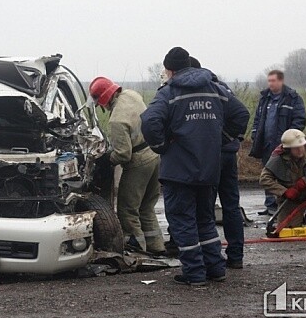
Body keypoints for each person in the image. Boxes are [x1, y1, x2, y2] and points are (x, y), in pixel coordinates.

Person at [141, 47, 247, 286]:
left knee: (182, 220)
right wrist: (220, 140)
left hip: (179, 170)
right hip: (210, 168)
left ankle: (194, 273)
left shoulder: (168, 93)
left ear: (170, 70)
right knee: (205, 220)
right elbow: (241, 114)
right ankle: (216, 268)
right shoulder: (216, 89)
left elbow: (149, 121)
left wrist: (161, 145)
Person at [88, 76, 167, 256]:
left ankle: (137, 248)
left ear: (103, 100)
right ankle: (156, 246)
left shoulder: (116, 120)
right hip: (155, 156)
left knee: (127, 210)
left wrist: (105, 160)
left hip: (139, 163)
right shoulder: (132, 95)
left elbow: (124, 154)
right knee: (146, 207)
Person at [190, 57, 250, 269]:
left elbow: (242, 114)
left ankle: (211, 258)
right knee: (231, 205)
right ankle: (236, 256)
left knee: (206, 209)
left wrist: (220, 138)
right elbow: (241, 114)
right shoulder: (222, 88)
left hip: (212, 155)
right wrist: (231, 138)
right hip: (228, 155)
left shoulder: (199, 90)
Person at [250, 70, 306, 215]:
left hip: (285, 145)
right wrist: (255, 134)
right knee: (267, 173)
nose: (270, 84)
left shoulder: (292, 98)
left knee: (284, 175)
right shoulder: (264, 98)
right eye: (269, 81)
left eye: (273, 81)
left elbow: (299, 120)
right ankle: (270, 204)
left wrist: (291, 139)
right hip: (266, 144)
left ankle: (283, 204)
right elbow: (257, 119)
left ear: (281, 81)